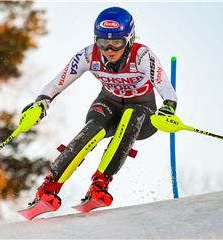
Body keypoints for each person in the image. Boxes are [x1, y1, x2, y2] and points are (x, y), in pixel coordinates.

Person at [21, 6, 177, 207]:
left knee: (132, 114)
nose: (109, 50)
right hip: (109, 104)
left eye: (116, 43)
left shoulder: (141, 56)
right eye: (103, 43)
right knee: (94, 128)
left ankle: (100, 184)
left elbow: (166, 89)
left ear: (129, 40)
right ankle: (48, 187)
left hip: (143, 113)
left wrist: (168, 108)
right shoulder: (89, 55)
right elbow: (56, 83)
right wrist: (41, 102)